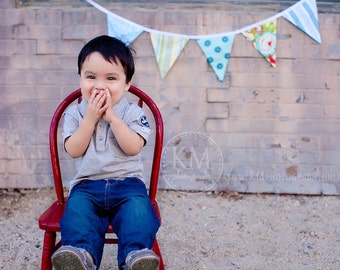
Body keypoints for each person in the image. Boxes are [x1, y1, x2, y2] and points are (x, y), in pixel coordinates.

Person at [51, 35, 160, 270]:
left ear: (127, 84)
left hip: (128, 185)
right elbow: (73, 149)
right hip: (87, 186)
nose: (99, 85)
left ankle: (135, 256)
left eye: (110, 78)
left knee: (139, 214)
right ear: (80, 79)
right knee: (77, 215)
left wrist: (112, 118)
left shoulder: (133, 113)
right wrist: (89, 119)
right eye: (91, 77)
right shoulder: (75, 114)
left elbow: (133, 148)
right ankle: (81, 256)